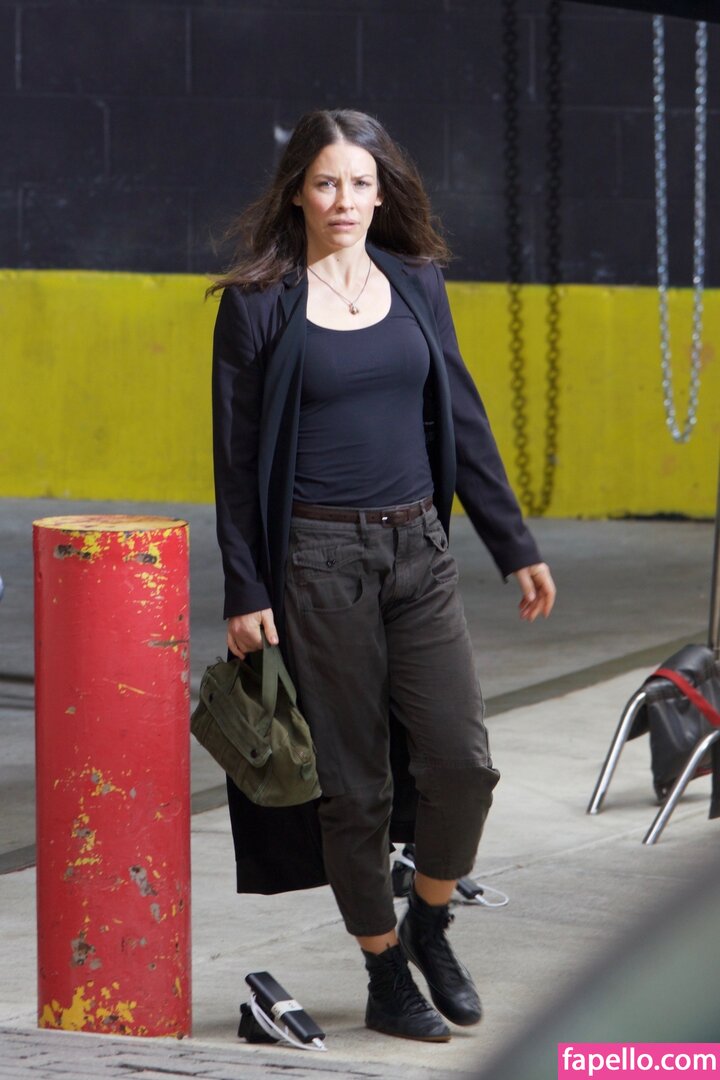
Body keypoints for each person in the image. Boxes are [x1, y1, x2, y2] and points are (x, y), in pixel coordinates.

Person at [209, 108, 556, 1044]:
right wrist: (245, 589)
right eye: (326, 183)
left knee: (463, 766)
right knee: (354, 788)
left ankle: (430, 922)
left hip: (419, 553)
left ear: (382, 191)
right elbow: (235, 464)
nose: (345, 200)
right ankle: (384, 970)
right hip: (316, 565)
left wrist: (513, 542)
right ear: (296, 193)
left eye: (361, 183)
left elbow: (462, 418)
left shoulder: (415, 282)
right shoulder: (260, 303)